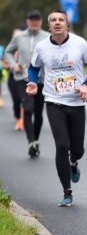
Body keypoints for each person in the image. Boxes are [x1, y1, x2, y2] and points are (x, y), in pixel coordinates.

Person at [26, 9, 87, 207]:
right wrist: (33, 82)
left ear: (67, 25)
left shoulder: (80, 43)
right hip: (53, 101)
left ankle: (74, 162)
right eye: (54, 20)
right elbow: (33, 68)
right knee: (61, 145)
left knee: (77, 149)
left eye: (61, 20)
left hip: (76, 103)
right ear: (49, 26)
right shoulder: (42, 47)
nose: (58, 23)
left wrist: (86, 84)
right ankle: (67, 192)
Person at [5, 10, 50, 156]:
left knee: (38, 112)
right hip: (23, 78)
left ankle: (36, 140)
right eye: (32, 20)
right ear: (27, 21)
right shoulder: (19, 37)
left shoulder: (47, 37)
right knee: (28, 108)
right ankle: (30, 142)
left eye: (37, 20)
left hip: (41, 79)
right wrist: (13, 65)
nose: (34, 22)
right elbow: (8, 52)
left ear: (41, 22)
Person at [3, 25, 27, 130]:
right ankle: (18, 118)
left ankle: (25, 114)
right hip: (13, 77)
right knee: (16, 99)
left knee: (26, 100)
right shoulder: (9, 50)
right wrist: (11, 65)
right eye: (15, 35)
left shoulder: (27, 48)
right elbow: (5, 64)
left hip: (25, 77)